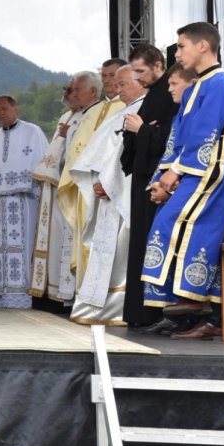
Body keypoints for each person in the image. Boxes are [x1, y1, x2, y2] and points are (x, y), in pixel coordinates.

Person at [142, 22, 224, 340]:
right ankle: (191, 303)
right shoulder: (196, 87)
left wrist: (177, 172)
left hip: (212, 171)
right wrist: (162, 179)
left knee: (173, 222)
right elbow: (178, 138)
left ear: (202, 47)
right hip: (191, 170)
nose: (178, 52)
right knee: (164, 223)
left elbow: (206, 134)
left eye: (182, 46)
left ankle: (194, 300)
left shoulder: (222, 84)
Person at [67, 65, 147, 325]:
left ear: (140, 80)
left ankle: (116, 307)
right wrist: (97, 180)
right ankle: (95, 307)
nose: (118, 88)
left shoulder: (143, 110)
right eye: (116, 83)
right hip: (108, 196)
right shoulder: (121, 112)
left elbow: (136, 157)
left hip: (123, 196)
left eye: (123, 83)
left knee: (121, 253)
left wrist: (108, 183)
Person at [119, 43, 173, 327]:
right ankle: (142, 312)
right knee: (142, 243)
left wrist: (141, 130)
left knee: (152, 243)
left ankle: (155, 311)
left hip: (159, 182)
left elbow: (172, 138)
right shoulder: (155, 94)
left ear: (157, 66)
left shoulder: (169, 93)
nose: (137, 77)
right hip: (144, 177)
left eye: (140, 71)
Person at [30, 73, 95, 309]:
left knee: (73, 240)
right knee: (58, 240)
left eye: (75, 89)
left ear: (92, 92)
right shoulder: (67, 116)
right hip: (59, 186)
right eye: (68, 89)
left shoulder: (94, 114)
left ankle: (72, 295)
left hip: (78, 188)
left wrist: (70, 136)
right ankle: (56, 292)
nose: (69, 94)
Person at [57, 70, 123, 296]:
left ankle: (111, 295)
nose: (108, 79)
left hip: (114, 187)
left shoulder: (127, 107)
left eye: (113, 75)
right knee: (88, 237)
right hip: (87, 185)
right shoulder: (91, 112)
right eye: (104, 75)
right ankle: (87, 294)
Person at [0, 95, 47, 309]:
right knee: (0, 248)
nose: (2, 114)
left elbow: (43, 162)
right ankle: (0, 294)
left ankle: (23, 294)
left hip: (24, 201)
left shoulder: (33, 132)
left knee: (22, 247)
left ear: (15, 108)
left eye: (5, 109)